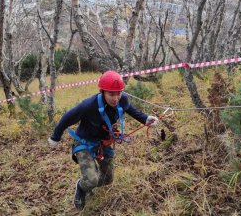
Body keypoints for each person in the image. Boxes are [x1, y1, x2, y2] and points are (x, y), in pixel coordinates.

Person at [47, 70, 159, 210]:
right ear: (103, 92)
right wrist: (55, 137)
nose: (116, 98)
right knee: (92, 179)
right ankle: (82, 187)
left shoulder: (122, 99)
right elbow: (66, 119)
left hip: (104, 142)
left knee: (107, 179)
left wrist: (145, 119)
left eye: (118, 93)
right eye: (111, 94)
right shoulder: (88, 106)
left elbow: (130, 109)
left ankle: (89, 183)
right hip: (84, 143)